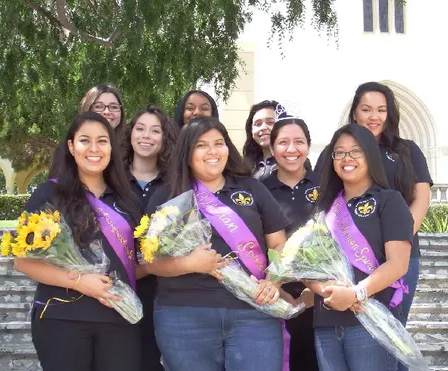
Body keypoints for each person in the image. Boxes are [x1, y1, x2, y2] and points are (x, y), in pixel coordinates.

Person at [139, 116, 289, 371]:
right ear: (186, 153)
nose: (213, 151)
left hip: (253, 312)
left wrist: (273, 280)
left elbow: (280, 245)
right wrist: (189, 264)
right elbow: (143, 264)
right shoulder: (167, 195)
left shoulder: (251, 187)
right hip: (184, 316)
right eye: (201, 145)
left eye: (219, 143)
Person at [15, 112, 142, 371]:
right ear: (72, 147)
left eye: (102, 141)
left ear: (112, 147)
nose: (94, 149)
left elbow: (138, 260)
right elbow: (23, 262)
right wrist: (81, 282)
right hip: (62, 317)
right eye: (85, 140)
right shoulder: (49, 194)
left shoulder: (127, 198)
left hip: (119, 316)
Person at [315, 82, 432, 336]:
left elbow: (421, 197)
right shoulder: (333, 152)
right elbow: (323, 201)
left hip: (400, 255)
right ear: (355, 112)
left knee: (393, 330)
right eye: (366, 109)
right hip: (346, 255)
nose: (374, 116)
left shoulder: (407, 151)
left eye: (381, 110)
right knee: (351, 330)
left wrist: (398, 237)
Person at [308, 123, 413, 371]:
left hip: (371, 320)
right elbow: (305, 265)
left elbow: (398, 263)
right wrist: (326, 290)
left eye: (356, 151)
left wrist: (355, 294)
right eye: (340, 152)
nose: (347, 158)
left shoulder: (389, 200)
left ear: (370, 155)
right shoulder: (323, 209)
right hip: (326, 322)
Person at [262, 114, 319, 371]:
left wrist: (314, 291)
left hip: (322, 295)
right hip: (274, 296)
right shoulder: (258, 189)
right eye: (283, 142)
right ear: (272, 148)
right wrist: (277, 288)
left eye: (300, 141)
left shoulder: (329, 186)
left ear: (308, 145)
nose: (292, 149)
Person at [123, 104, 178, 371]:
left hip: (162, 292)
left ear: (165, 138)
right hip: (117, 289)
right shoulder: (112, 180)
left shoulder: (176, 185)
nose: (147, 136)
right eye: (140, 128)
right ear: (130, 133)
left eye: (155, 131)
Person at [49, 84, 127, 178]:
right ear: (87, 109)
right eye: (99, 107)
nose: (107, 112)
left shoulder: (129, 150)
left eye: (114, 107)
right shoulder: (66, 151)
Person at [243, 101, 311, 181]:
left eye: (270, 122)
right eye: (258, 124)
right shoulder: (245, 166)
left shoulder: (296, 164)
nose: (263, 127)